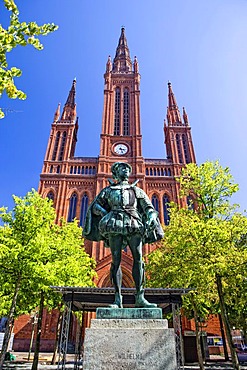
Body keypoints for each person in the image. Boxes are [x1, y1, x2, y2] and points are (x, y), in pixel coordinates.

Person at [83, 162, 164, 308]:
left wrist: (152, 216)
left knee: (138, 258)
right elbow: (95, 205)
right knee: (116, 260)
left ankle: (140, 297)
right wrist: (106, 214)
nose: (126, 170)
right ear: (115, 172)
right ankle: (117, 299)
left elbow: (149, 208)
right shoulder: (109, 190)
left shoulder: (136, 190)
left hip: (133, 223)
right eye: (122, 168)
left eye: (127, 168)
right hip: (115, 224)